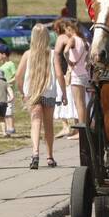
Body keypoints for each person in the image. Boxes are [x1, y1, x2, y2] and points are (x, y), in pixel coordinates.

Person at [15, 23, 67, 169]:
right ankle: (50, 157)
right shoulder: (52, 54)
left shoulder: (27, 54)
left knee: (35, 122)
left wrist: (22, 92)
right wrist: (64, 93)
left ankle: (35, 153)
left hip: (32, 93)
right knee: (48, 125)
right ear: (46, 37)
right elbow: (59, 74)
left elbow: (18, 75)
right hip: (49, 93)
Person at [53, 18, 91, 142]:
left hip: (76, 75)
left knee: (79, 103)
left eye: (67, 30)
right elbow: (88, 58)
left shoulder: (73, 39)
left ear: (71, 29)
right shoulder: (85, 41)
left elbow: (64, 51)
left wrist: (69, 61)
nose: (66, 32)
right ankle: (88, 126)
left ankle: (81, 132)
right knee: (86, 102)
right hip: (86, 74)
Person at [0, 44, 17, 137]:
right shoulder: (2, 66)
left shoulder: (10, 64)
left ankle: (11, 128)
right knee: (4, 112)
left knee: (8, 110)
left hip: (7, 90)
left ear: (4, 54)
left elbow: (16, 76)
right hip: (1, 91)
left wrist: (8, 82)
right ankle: (6, 129)